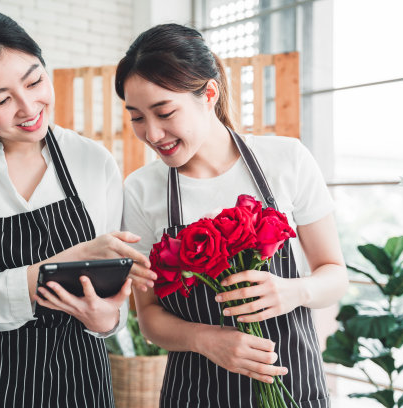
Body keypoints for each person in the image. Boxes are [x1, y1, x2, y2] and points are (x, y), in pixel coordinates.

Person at [0, 11, 155, 407]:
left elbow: (112, 291)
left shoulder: (92, 160)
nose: (28, 107)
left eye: (34, 82)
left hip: (78, 372)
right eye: (0, 100)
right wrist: (69, 259)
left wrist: (107, 319)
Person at [116, 23, 348, 407]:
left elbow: (335, 274)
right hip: (196, 392)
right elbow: (150, 316)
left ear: (209, 93)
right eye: (137, 117)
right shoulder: (141, 191)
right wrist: (205, 340)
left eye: (164, 112)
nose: (153, 134)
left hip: (294, 387)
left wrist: (295, 290)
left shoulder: (286, 160)